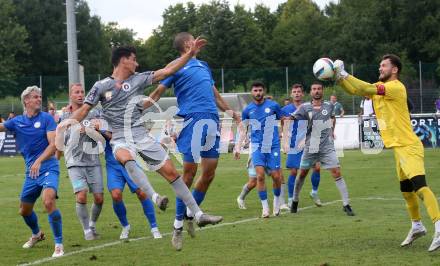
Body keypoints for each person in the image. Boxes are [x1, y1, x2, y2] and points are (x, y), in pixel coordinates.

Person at [57, 40, 222, 251]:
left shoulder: (139, 79)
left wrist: (190, 54)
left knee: (172, 173)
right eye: (134, 59)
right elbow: (84, 110)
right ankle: (155, 197)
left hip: (141, 134)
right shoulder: (101, 86)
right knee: (125, 157)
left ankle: (198, 214)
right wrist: (68, 123)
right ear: (124, 60)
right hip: (119, 137)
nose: (137, 62)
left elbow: (168, 70)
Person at [334, 54, 440, 251]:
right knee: (406, 191)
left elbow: (364, 87)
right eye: (380, 66)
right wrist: (339, 78)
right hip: (398, 148)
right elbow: (356, 89)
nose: (380, 68)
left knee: (420, 187)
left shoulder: (395, 87)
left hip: (408, 146)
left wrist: (344, 73)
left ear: (395, 70)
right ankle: (417, 226)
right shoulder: (378, 89)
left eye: (384, 66)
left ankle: (439, 226)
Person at [145, 32, 239, 250]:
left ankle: (190, 215)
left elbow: (214, 94)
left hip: (212, 121)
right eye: (191, 41)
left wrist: (230, 111)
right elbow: (159, 90)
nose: (195, 43)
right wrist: (143, 106)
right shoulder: (175, 66)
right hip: (191, 121)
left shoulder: (204, 65)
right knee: (188, 174)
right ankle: (177, 227)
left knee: (209, 174)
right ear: (186, 44)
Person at [0, 86, 64, 257]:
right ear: (26, 101)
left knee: (48, 200)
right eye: (35, 97)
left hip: (48, 166)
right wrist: (34, 164)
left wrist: (39, 161)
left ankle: (59, 244)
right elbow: (1, 127)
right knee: (24, 211)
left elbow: (54, 145)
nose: (38, 99)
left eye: (40, 96)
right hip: (32, 172)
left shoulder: (47, 119)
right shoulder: (17, 121)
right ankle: (37, 234)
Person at [289, 81, 354, 216]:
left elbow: (333, 118)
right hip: (310, 146)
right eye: (314, 89)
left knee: (336, 172)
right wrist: (285, 119)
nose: (317, 91)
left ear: (322, 91)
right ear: (311, 92)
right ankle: (295, 200)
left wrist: (332, 130)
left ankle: (346, 204)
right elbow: (292, 117)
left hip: (326, 147)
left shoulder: (329, 106)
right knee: (302, 174)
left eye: (319, 89)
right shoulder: (304, 107)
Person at [56, 83, 104, 241]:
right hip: (74, 163)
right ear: (70, 95)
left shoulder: (94, 112)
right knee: (81, 196)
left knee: (99, 198)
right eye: (76, 92)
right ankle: (86, 231)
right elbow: (60, 139)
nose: (80, 94)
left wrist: (95, 128)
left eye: (82, 91)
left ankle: (92, 224)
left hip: (93, 161)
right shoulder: (64, 116)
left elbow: (103, 134)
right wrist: (57, 159)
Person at [100, 129, 162, 240]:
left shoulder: (124, 118)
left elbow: (116, 137)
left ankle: (154, 227)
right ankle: (125, 226)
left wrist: (100, 130)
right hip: (112, 165)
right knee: (116, 195)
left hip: (129, 161)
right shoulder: (102, 118)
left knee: (142, 193)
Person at [234, 81, 284, 218]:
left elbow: (284, 120)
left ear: (264, 91)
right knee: (260, 176)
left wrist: (284, 136)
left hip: (273, 145)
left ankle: (276, 202)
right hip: (256, 146)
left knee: (276, 176)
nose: (258, 93)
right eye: (255, 91)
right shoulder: (247, 110)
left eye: (260, 90)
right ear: (252, 92)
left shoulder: (273, 105)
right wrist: (238, 147)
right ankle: (265, 208)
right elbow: (243, 129)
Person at [282, 84, 322, 208]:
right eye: (294, 92)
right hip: (294, 143)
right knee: (294, 171)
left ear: (303, 94)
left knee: (317, 167)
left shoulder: (309, 107)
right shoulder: (285, 109)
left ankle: (314, 192)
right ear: (291, 94)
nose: (297, 94)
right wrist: (285, 142)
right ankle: (290, 198)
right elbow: (284, 125)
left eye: (299, 91)